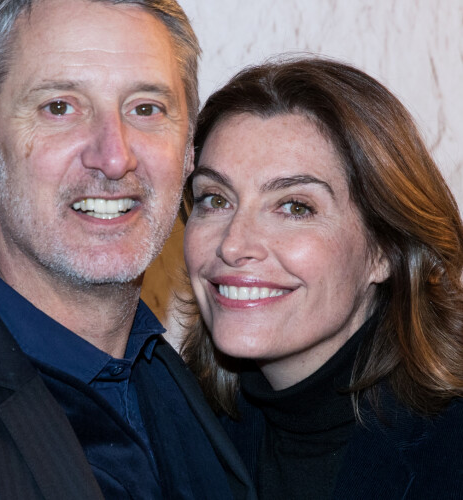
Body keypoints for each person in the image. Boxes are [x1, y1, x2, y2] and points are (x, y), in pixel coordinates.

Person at [0, 0, 256, 499]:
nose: (114, 155)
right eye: (60, 106)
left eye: (146, 108)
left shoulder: (210, 398)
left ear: (187, 150)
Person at [182, 55, 463, 499]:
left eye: (295, 207)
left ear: (385, 250)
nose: (234, 245)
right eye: (215, 199)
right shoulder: (177, 429)